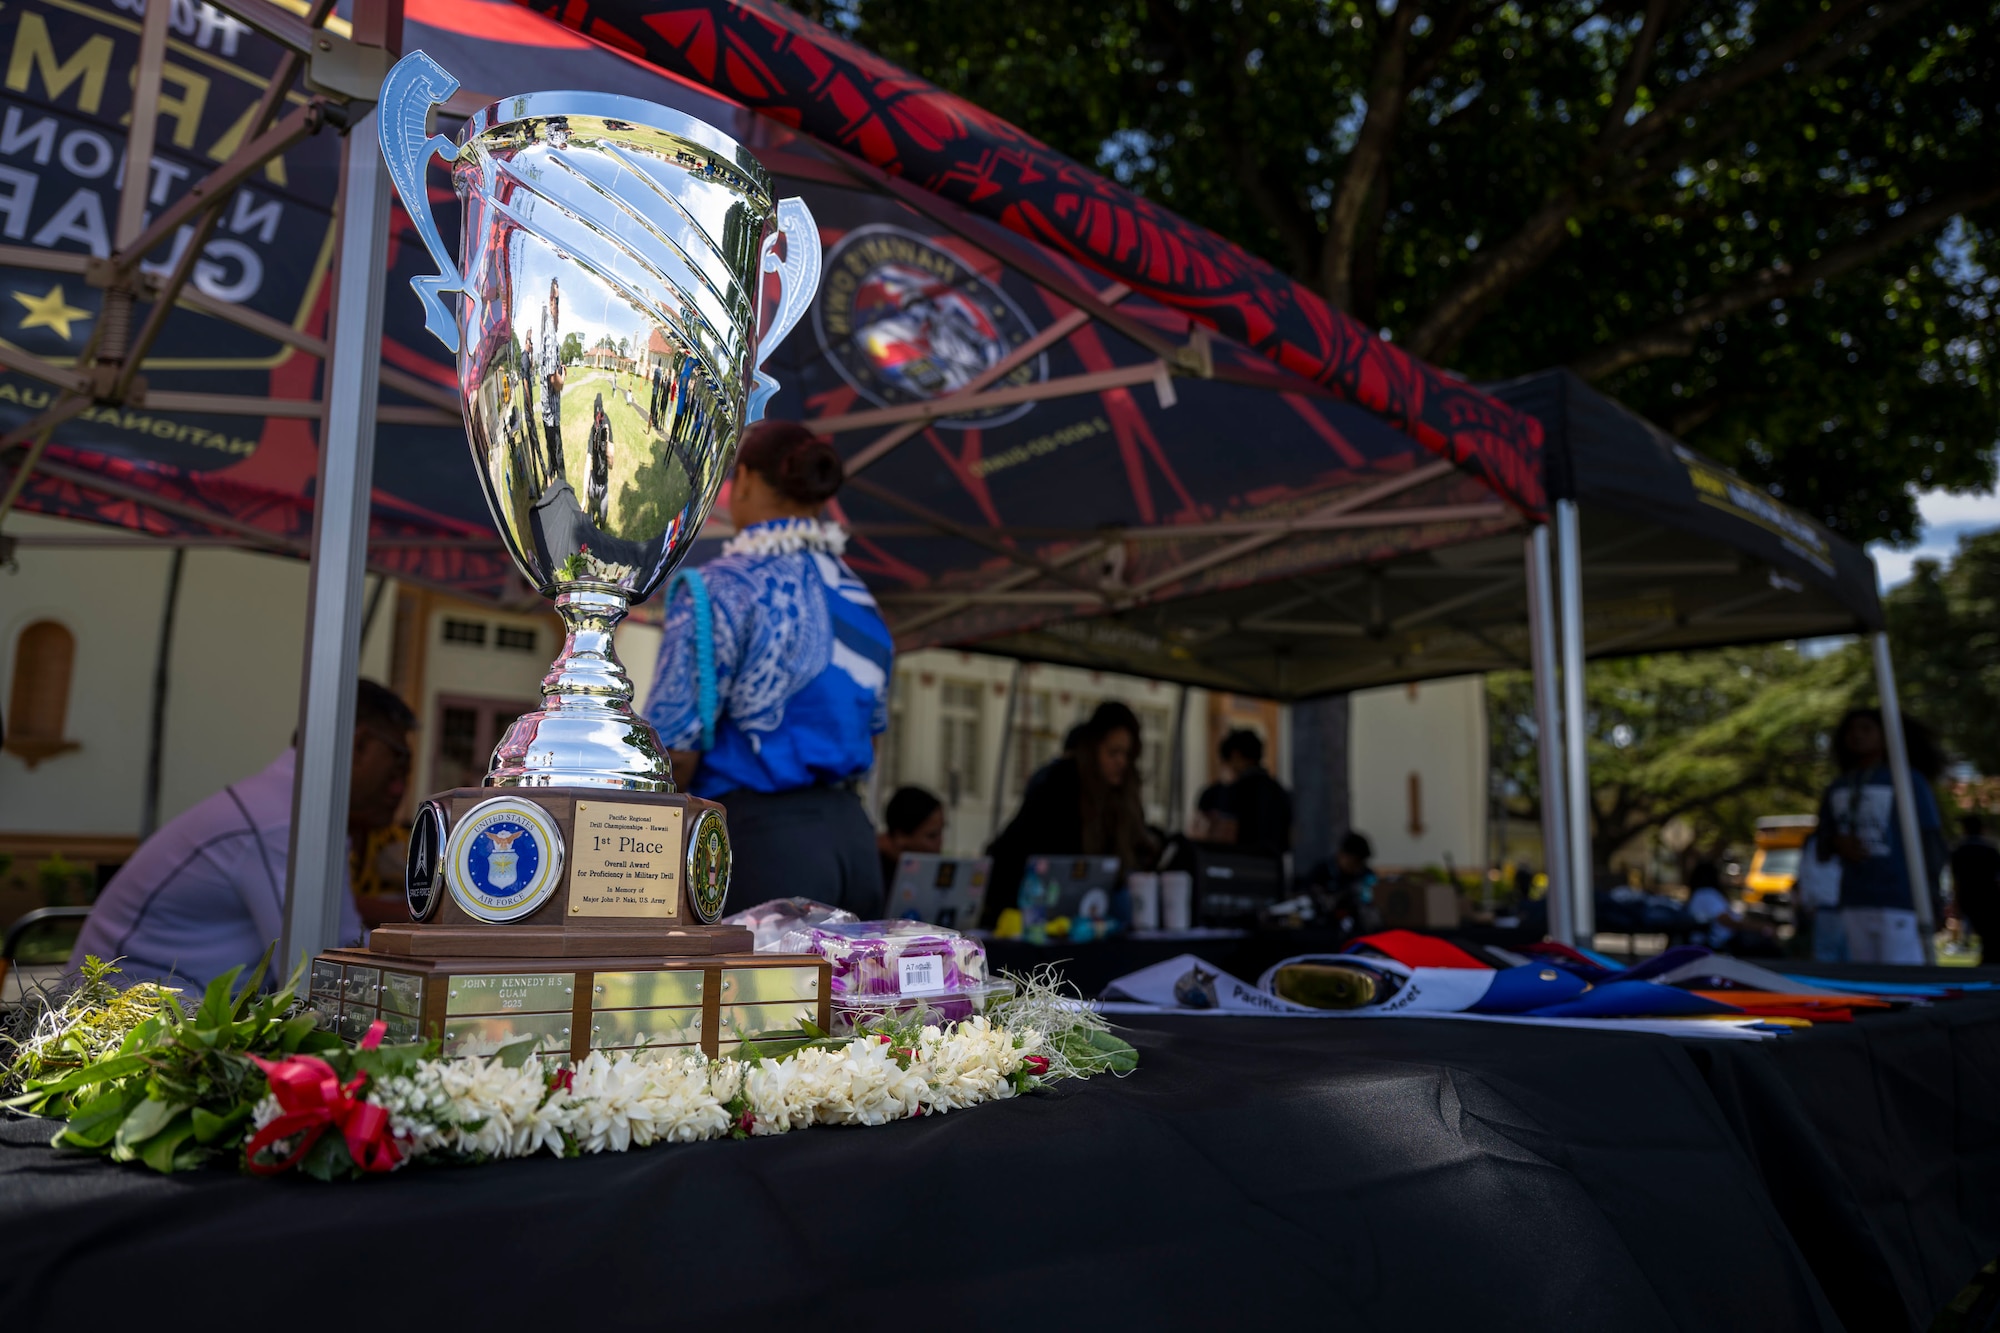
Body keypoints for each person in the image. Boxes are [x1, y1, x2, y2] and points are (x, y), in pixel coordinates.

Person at [641, 420, 893, 917]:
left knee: (756, 997)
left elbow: (676, 750)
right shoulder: (864, 601)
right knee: (851, 996)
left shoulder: (719, 587)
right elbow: (874, 736)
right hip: (855, 845)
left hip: (764, 847)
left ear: (749, 480)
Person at [71, 680, 415, 990]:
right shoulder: (283, 821)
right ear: (360, 744)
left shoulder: (287, 806)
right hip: (121, 1019)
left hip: (161, 1009)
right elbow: (322, 970)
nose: (400, 783)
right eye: (398, 760)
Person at [982, 701, 1158, 925]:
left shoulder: (1125, 795)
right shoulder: (1061, 784)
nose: (1121, 762)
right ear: (1093, 750)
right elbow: (1025, 849)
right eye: (1113, 752)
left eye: (1127, 754)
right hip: (1042, 910)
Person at [1812, 707, 1946, 965]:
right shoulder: (1838, 786)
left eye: (1866, 729)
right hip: (1853, 898)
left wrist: (1932, 898)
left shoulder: (1907, 781)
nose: (1857, 736)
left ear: (1887, 736)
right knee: (1866, 979)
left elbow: (1930, 840)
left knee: (1903, 978)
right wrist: (1837, 843)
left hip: (1900, 898)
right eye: (1851, 731)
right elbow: (1821, 840)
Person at [1192, 729, 1292, 856]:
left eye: (1225, 763)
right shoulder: (1281, 793)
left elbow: (1203, 837)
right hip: (1273, 869)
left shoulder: (1224, 794)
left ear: (1235, 756)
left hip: (1234, 866)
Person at [1951, 815, 2000, 961]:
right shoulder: (1990, 850)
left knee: (1984, 931)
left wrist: (1956, 900)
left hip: (1968, 897)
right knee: (1990, 933)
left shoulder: (1960, 851)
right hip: (1989, 896)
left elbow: (1956, 879)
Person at [877, 785, 946, 887]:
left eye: (941, 833)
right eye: (931, 836)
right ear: (901, 837)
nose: (940, 842)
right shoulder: (874, 875)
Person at [538, 278, 565, 479]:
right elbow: (553, 380)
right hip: (551, 414)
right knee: (557, 457)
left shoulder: (549, 328)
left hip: (549, 413)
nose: (558, 309)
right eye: (556, 301)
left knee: (552, 456)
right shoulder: (550, 331)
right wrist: (562, 378)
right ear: (550, 301)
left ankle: (552, 476)